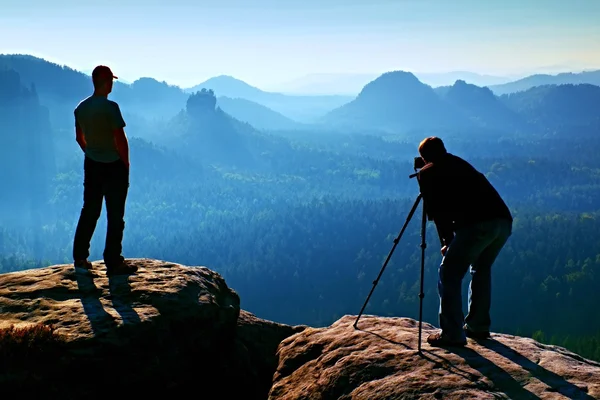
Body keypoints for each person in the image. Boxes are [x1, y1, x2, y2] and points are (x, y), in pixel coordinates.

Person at [416, 136, 512, 347]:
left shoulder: (431, 171)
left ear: (425, 158)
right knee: (481, 268)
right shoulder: (459, 163)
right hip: (502, 222)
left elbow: (439, 212)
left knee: (449, 273)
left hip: (477, 225)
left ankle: (452, 333)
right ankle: (478, 326)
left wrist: (447, 241)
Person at [72, 65, 137, 276]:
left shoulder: (80, 108)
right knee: (115, 215)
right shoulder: (111, 108)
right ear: (106, 82)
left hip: (92, 164)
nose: (112, 84)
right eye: (111, 80)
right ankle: (113, 261)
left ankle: (80, 257)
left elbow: (79, 138)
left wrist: (91, 152)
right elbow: (120, 139)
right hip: (113, 166)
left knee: (89, 211)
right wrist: (125, 164)